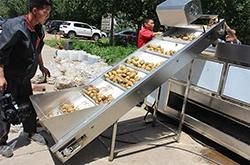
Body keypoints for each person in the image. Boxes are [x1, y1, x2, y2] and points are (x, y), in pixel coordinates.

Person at [0, 0, 52, 157]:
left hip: (24, 77)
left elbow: (37, 51)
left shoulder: (38, 29)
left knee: (27, 104)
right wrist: (1, 76)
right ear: (35, 10)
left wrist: (41, 66)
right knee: (5, 109)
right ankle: (1, 143)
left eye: (49, 11)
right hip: (9, 76)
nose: (48, 14)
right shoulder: (14, 27)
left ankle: (30, 131)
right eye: (45, 11)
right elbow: (1, 52)